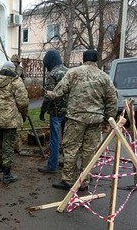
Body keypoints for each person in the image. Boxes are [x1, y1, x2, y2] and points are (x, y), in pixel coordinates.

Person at [47, 49, 117, 191]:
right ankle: (84, 181)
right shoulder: (104, 77)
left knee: (71, 149)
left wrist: (51, 94)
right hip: (95, 120)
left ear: (83, 59)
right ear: (96, 60)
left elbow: (59, 91)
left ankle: (68, 180)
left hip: (75, 118)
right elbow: (112, 100)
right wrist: (108, 120)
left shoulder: (73, 73)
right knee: (89, 151)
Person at [0, 61, 29, 184]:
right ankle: (6, 174)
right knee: (8, 146)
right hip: (10, 120)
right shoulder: (16, 81)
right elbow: (23, 102)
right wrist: (24, 114)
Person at [38, 49, 68, 174]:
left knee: (55, 139)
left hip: (56, 112)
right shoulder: (69, 72)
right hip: (69, 111)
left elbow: (48, 96)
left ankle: (52, 165)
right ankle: (67, 163)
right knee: (68, 139)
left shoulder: (53, 74)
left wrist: (42, 111)